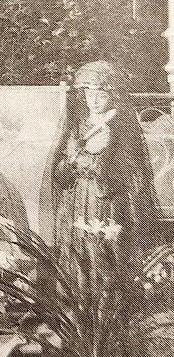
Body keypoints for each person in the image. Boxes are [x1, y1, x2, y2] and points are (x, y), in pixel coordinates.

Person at [47, 60, 160, 266]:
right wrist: (82, 156)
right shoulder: (77, 127)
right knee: (78, 247)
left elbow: (128, 171)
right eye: (90, 94)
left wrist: (93, 160)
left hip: (107, 200)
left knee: (104, 250)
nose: (95, 101)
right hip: (77, 198)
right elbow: (62, 168)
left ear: (112, 97)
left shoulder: (119, 129)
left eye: (101, 95)